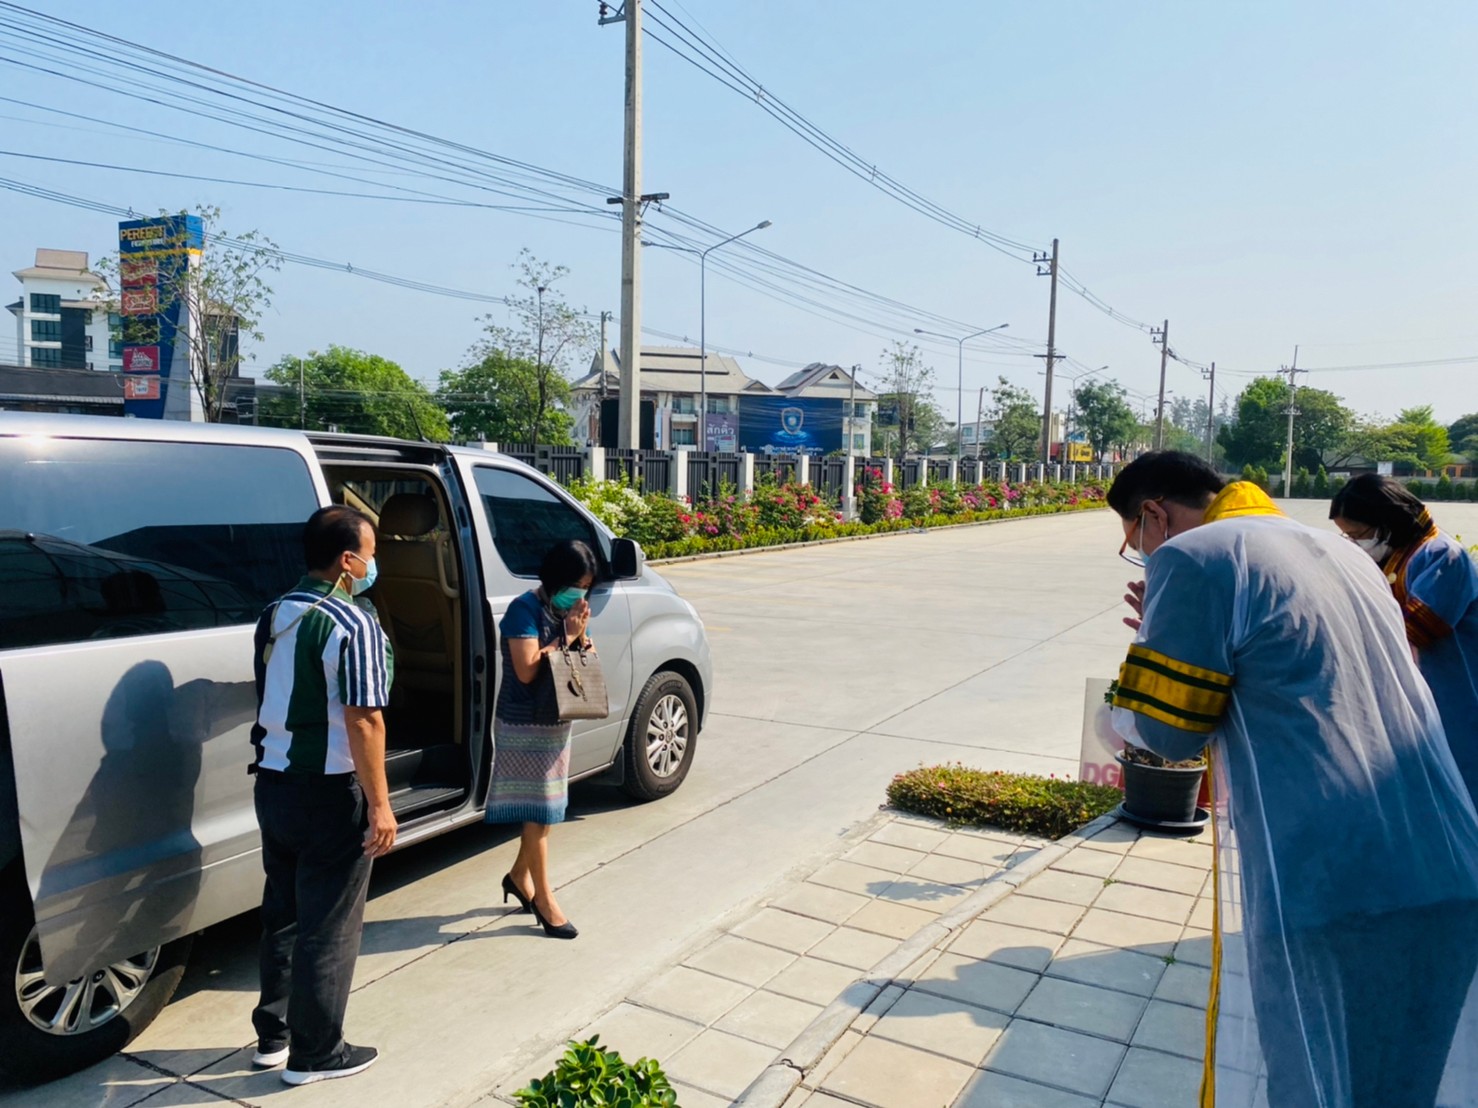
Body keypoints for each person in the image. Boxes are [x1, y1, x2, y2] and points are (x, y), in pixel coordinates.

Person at [1107, 452, 1478, 1108]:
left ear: (1154, 514)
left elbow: (1168, 736)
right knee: (1400, 1086)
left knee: (1315, 1083)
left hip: (1332, 880)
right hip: (1447, 861)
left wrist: (1147, 658)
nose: (1143, 555)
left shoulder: (1193, 556)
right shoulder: (1342, 555)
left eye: (1135, 542)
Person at [248, 505, 397, 1086]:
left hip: (273, 784)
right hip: (331, 793)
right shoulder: (353, 623)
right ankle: (317, 1053)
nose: (375, 565)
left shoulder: (275, 613)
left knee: (283, 916)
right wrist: (380, 805)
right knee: (329, 926)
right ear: (348, 560)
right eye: (372, 554)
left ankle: (274, 1036)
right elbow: (365, 720)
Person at [1331, 473, 1478, 800]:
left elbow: (1416, 628)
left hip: (1455, 693)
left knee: (1463, 784)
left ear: (1386, 523)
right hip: (1421, 699)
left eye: (1357, 535)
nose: (1353, 544)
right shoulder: (1391, 559)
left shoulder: (1443, 556)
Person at [487, 539, 598, 940]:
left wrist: (581, 637)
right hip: (523, 725)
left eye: (586, 587)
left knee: (546, 810)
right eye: (576, 585)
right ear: (556, 578)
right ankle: (545, 900)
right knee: (541, 812)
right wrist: (566, 636)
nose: (581, 594)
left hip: (555, 722)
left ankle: (519, 876)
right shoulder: (524, 609)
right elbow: (527, 670)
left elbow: (581, 658)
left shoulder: (566, 611)